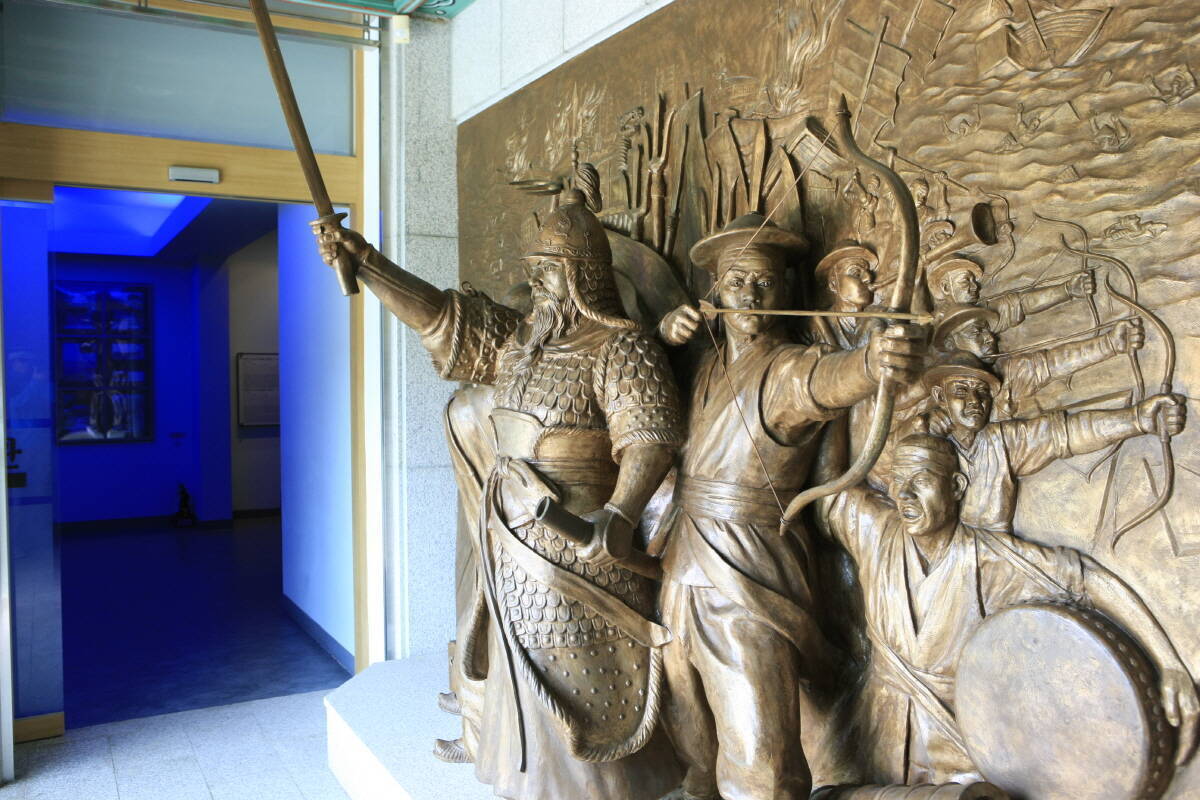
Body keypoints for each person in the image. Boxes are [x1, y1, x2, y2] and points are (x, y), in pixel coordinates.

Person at [314, 190, 684, 800]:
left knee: (578, 664)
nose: (535, 280)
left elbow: (649, 438)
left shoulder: (621, 346)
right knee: (520, 661)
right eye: (533, 267)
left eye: (548, 268)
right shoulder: (521, 346)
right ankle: (530, 784)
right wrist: (367, 261)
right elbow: (442, 320)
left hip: (579, 538)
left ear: (583, 275)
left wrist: (618, 513)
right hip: (508, 534)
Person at [655, 214, 927, 800]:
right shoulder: (704, 364)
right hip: (683, 568)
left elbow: (825, 381)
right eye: (736, 282)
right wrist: (665, 336)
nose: (750, 295)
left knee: (762, 765)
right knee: (692, 747)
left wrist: (871, 363)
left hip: (746, 571)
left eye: (764, 282)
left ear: (786, 290)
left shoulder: (785, 366)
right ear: (715, 292)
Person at [818, 433, 1199, 784]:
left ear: (956, 486)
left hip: (963, 759)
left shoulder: (993, 559)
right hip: (876, 747)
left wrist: (1169, 663)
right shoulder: (876, 533)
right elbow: (828, 488)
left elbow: (1088, 580)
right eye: (897, 481)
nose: (904, 494)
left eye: (921, 480)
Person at [911, 353, 1184, 534]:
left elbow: (1067, 432)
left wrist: (1137, 419)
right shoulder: (918, 448)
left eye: (982, 392)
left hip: (997, 560)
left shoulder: (1002, 440)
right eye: (961, 391)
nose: (975, 401)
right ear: (940, 396)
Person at [932, 302, 1144, 419]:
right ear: (951, 342)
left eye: (988, 331)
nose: (990, 338)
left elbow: (1054, 362)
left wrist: (1109, 343)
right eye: (976, 332)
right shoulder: (934, 402)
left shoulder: (1012, 371)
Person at [925, 255, 1095, 334]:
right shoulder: (931, 326)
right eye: (965, 281)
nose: (974, 286)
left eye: (973, 280)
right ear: (946, 287)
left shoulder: (982, 312)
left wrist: (1067, 289)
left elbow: (1023, 303)